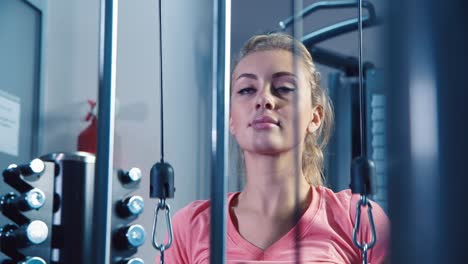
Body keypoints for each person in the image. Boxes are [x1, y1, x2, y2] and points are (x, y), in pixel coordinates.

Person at [164, 33, 389, 263]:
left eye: (284, 88)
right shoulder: (191, 226)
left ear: (315, 117)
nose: (264, 99)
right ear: (231, 119)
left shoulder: (358, 220)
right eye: (247, 90)